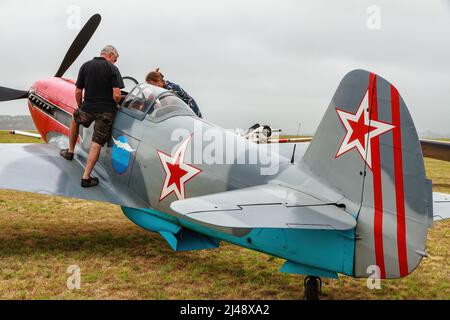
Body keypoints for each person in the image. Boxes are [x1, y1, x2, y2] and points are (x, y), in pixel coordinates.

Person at [60, 45, 124, 188]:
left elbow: (78, 91)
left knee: (75, 119)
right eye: (115, 59)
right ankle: (86, 178)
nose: (115, 62)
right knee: (96, 143)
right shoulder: (113, 69)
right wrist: (117, 104)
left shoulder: (85, 66)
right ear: (111, 55)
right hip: (106, 111)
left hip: (87, 107)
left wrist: (80, 105)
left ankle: (70, 151)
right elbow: (117, 94)